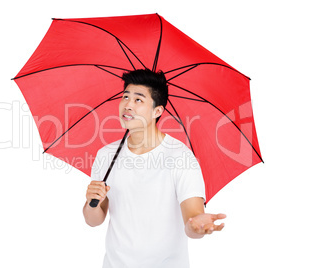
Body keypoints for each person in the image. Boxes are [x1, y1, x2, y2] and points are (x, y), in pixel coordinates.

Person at [83, 69, 226, 268]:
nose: (128, 105)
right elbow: (94, 221)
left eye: (138, 100)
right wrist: (92, 202)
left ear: (157, 111)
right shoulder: (106, 155)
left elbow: (192, 220)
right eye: (125, 97)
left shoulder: (180, 157)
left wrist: (197, 225)